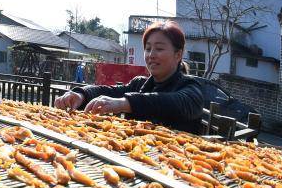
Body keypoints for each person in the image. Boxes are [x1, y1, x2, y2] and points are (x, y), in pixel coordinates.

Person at [53, 21, 204, 133]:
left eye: (159, 48)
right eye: (148, 48)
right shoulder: (139, 85)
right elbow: (110, 92)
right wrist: (81, 94)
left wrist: (126, 103)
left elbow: (174, 103)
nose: (151, 55)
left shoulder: (191, 88)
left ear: (178, 54)